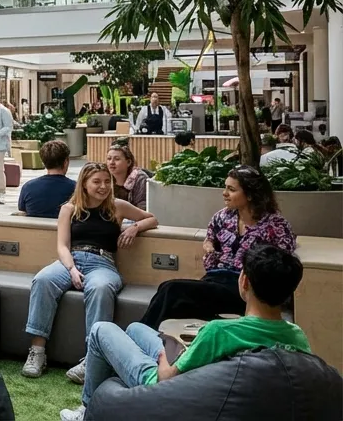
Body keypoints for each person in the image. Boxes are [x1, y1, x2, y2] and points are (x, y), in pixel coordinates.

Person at [60, 245, 310, 421]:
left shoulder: (220, 331)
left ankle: (87, 411)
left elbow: (167, 379)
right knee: (136, 329)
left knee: (100, 330)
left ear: (244, 281)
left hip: (167, 389)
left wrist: (163, 357)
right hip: (209, 384)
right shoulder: (296, 334)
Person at [22, 162, 159, 381]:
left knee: (100, 288)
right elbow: (62, 246)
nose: (103, 186)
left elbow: (151, 218)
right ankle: (37, 352)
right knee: (43, 280)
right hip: (71, 260)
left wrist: (134, 227)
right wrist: (72, 269)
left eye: (106, 181)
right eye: (96, 182)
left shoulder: (117, 206)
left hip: (102, 263)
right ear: (84, 184)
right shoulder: (69, 209)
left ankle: (92, 360)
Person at [139, 166, 296, 328]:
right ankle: (150, 336)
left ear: (250, 195)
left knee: (172, 289)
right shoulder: (223, 216)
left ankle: (139, 332)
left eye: (231, 189)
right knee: (174, 299)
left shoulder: (276, 226)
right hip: (214, 280)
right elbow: (209, 239)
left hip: (245, 288)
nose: (224, 193)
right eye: (225, 187)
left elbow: (281, 265)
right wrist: (208, 246)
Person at [18, 140, 76, 219]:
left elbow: (23, 210)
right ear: (66, 162)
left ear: (43, 162)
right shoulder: (76, 188)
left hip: (35, 226)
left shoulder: (28, 187)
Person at [106, 144, 147, 210]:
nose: (111, 162)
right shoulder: (104, 176)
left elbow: (142, 207)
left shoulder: (139, 178)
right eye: (109, 158)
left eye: (117, 159)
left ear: (128, 162)